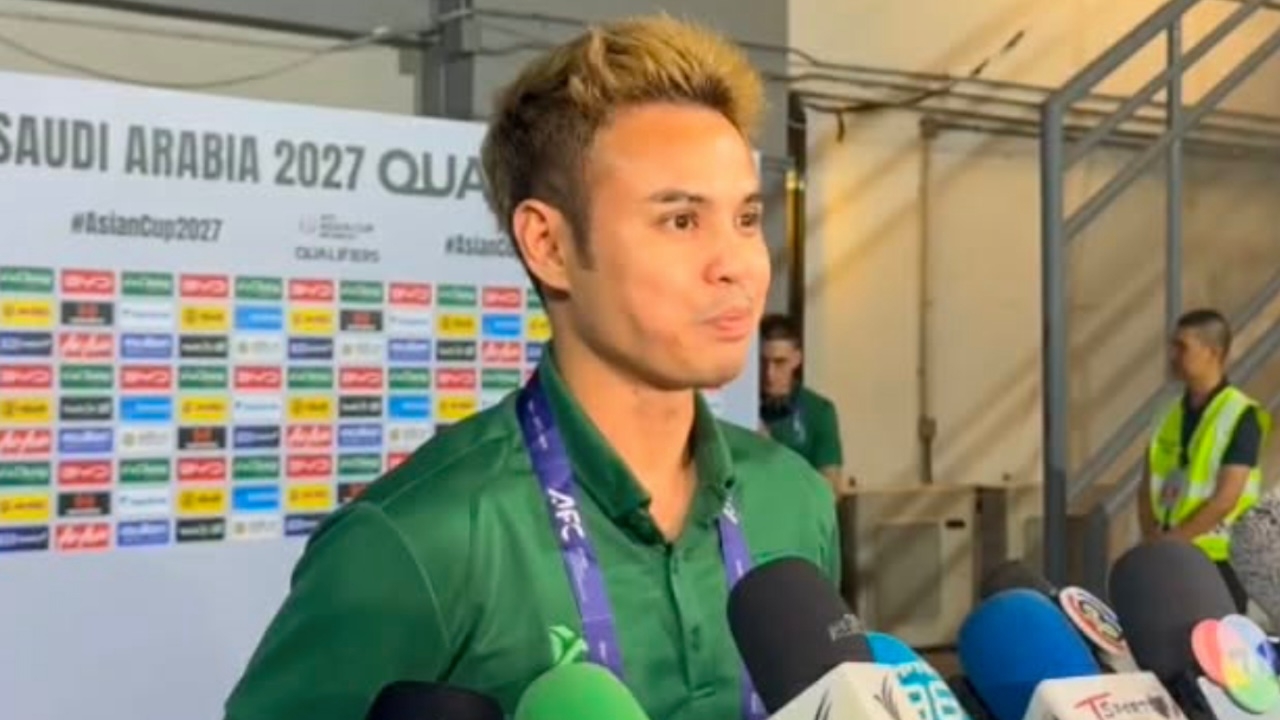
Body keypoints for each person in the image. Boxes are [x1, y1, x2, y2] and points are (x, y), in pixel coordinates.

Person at [223, 15, 839, 720]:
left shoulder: (794, 501)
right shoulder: (415, 541)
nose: (737, 265)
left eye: (746, 218)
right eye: (681, 220)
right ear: (548, 244)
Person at [1139, 308, 1271, 612]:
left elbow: (1226, 497)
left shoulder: (1241, 414)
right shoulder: (1166, 412)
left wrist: (1173, 541)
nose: (1173, 355)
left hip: (1219, 561)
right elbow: (1146, 485)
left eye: (1182, 346)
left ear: (1213, 352)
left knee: (1216, 640)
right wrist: (1153, 538)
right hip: (1168, 555)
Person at [758, 313, 846, 491]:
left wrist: (771, 452)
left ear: (796, 359)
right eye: (762, 362)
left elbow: (829, 491)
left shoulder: (819, 411)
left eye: (779, 362)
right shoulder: (737, 407)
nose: (769, 373)